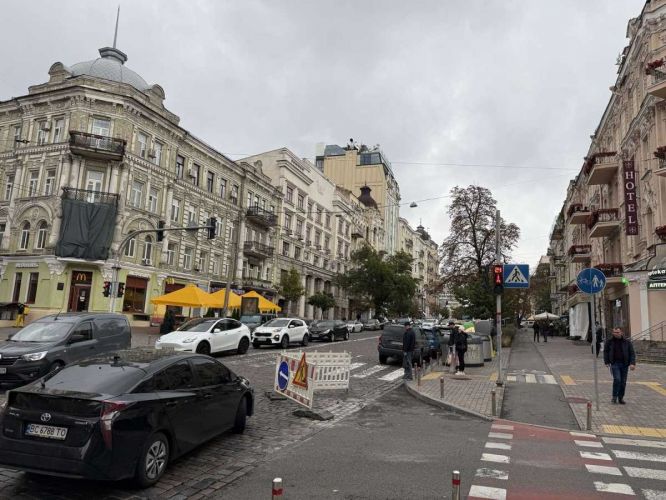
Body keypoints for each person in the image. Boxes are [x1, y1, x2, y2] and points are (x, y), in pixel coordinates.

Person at [603, 327, 636, 404]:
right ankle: (614, 397)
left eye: (617, 332)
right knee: (617, 379)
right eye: (614, 332)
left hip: (624, 364)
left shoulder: (627, 342)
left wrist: (632, 363)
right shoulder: (609, 342)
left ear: (621, 332)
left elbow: (632, 353)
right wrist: (606, 362)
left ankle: (620, 397)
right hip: (615, 363)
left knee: (623, 382)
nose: (616, 334)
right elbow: (606, 352)